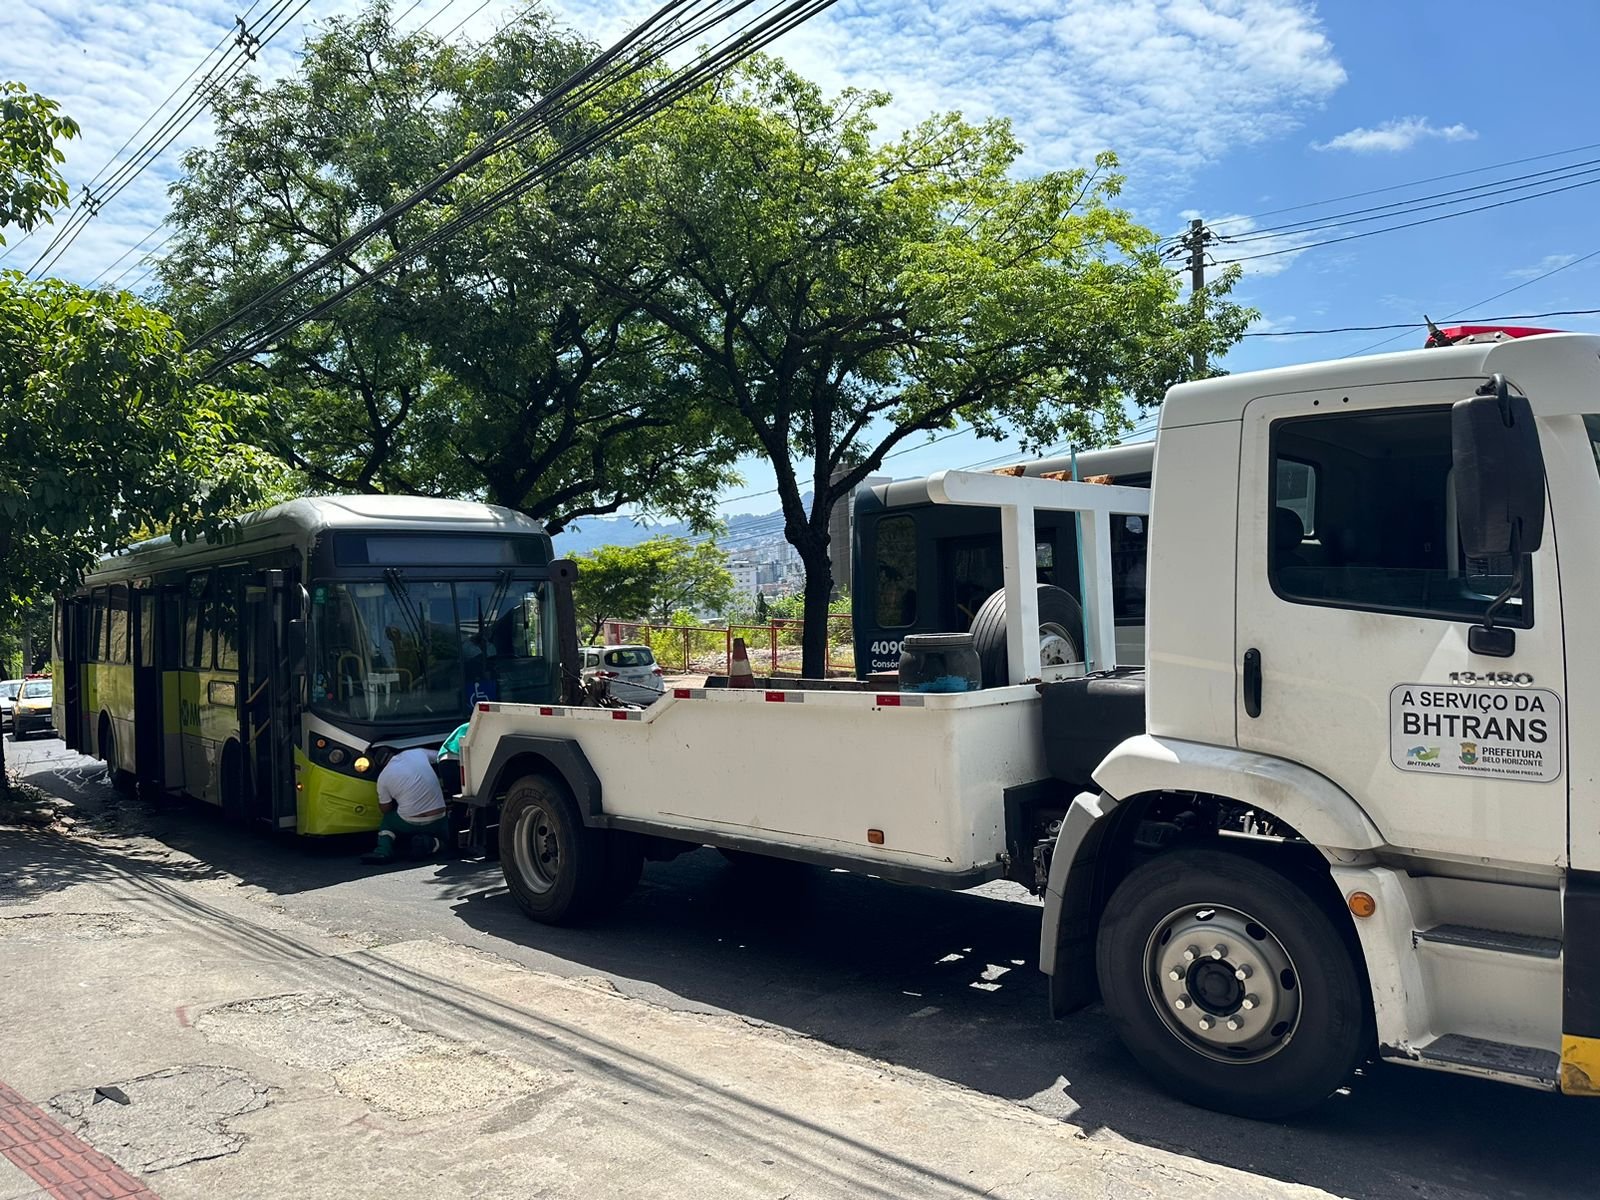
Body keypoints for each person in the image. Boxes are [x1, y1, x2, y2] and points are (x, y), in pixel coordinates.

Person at [360, 745, 450, 865]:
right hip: (439, 818)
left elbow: (385, 809)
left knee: (387, 821)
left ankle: (383, 851)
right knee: (449, 841)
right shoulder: (417, 753)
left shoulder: (383, 778)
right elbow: (442, 756)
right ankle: (430, 843)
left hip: (409, 822)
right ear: (393, 753)